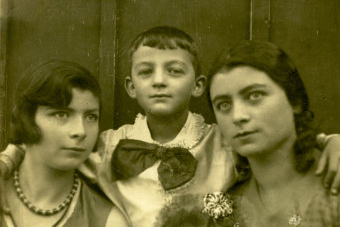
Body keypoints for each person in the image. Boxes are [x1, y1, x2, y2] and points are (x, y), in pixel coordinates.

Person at [1, 28, 340, 226]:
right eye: (146, 72)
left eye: (175, 71)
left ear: (198, 86)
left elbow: (278, 139)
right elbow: (45, 147)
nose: (160, 81)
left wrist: (331, 142)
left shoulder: (221, 139)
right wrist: (10, 157)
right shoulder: (107, 144)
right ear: (131, 87)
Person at [205, 40, 340, 226]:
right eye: (224, 105)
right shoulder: (226, 209)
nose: (237, 116)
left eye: (254, 96)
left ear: (295, 101)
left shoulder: (334, 188)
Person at [0, 61, 129, 227]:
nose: (80, 131)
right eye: (61, 114)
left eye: (90, 117)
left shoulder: (107, 221)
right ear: (27, 119)